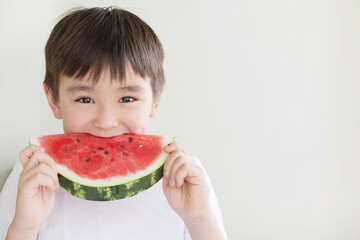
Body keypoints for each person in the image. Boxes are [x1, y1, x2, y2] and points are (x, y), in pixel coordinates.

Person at [0, 7, 227, 240]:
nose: (106, 122)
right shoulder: (30, 177)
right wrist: (24, 227)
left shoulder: (188, 178)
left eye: (127, 98)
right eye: (85, 99)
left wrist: (199, 220)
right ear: (54, 100)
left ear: (155, 100)